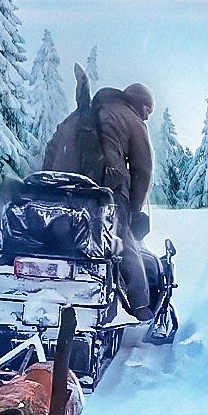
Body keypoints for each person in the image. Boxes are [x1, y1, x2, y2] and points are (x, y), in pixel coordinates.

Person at [41, 81, 156, 318]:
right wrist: (133, 209)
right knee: (124, 243)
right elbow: (142, 169)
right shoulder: (131, 117)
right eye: (147, 111)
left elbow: (50, 150)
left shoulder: (78, 115)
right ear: (141, 105)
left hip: (60, 195)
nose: (146, 117)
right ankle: (140, 304)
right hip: (105, 195)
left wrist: (49, 189)